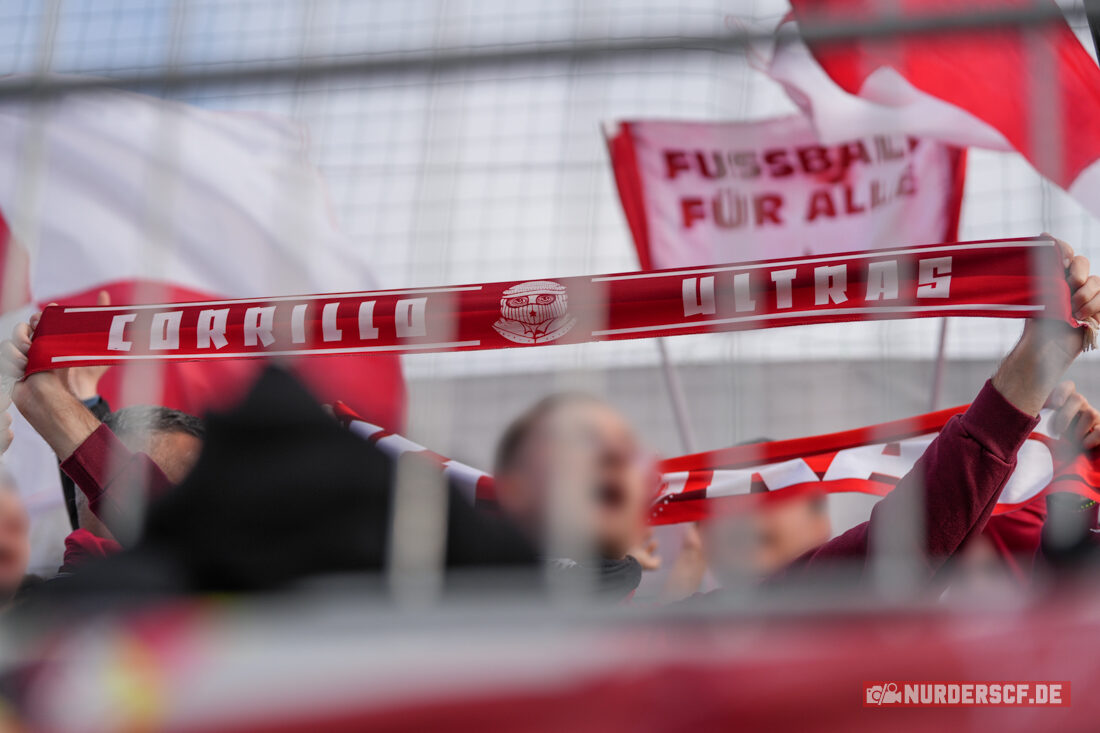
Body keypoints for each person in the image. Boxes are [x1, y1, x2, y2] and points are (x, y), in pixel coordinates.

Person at [492, 237, 1100, 596]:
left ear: (649, 543)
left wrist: (1033, 369)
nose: (605, 457)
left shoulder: (702, 647)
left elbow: (894, 558)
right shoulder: (450, 599)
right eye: (570, 443)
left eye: (622, 448)